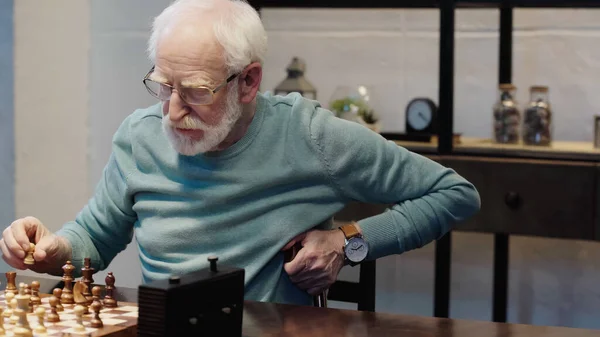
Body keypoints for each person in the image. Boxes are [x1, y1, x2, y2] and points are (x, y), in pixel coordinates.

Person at [0, 0, 480, 306]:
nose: (171, 111)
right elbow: (95, 238)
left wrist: (348, 242)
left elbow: (454, 193)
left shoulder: (313, 137)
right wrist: (52, 248)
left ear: (248, 81)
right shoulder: (139, 136)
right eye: (163, 85)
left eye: (196, 92)